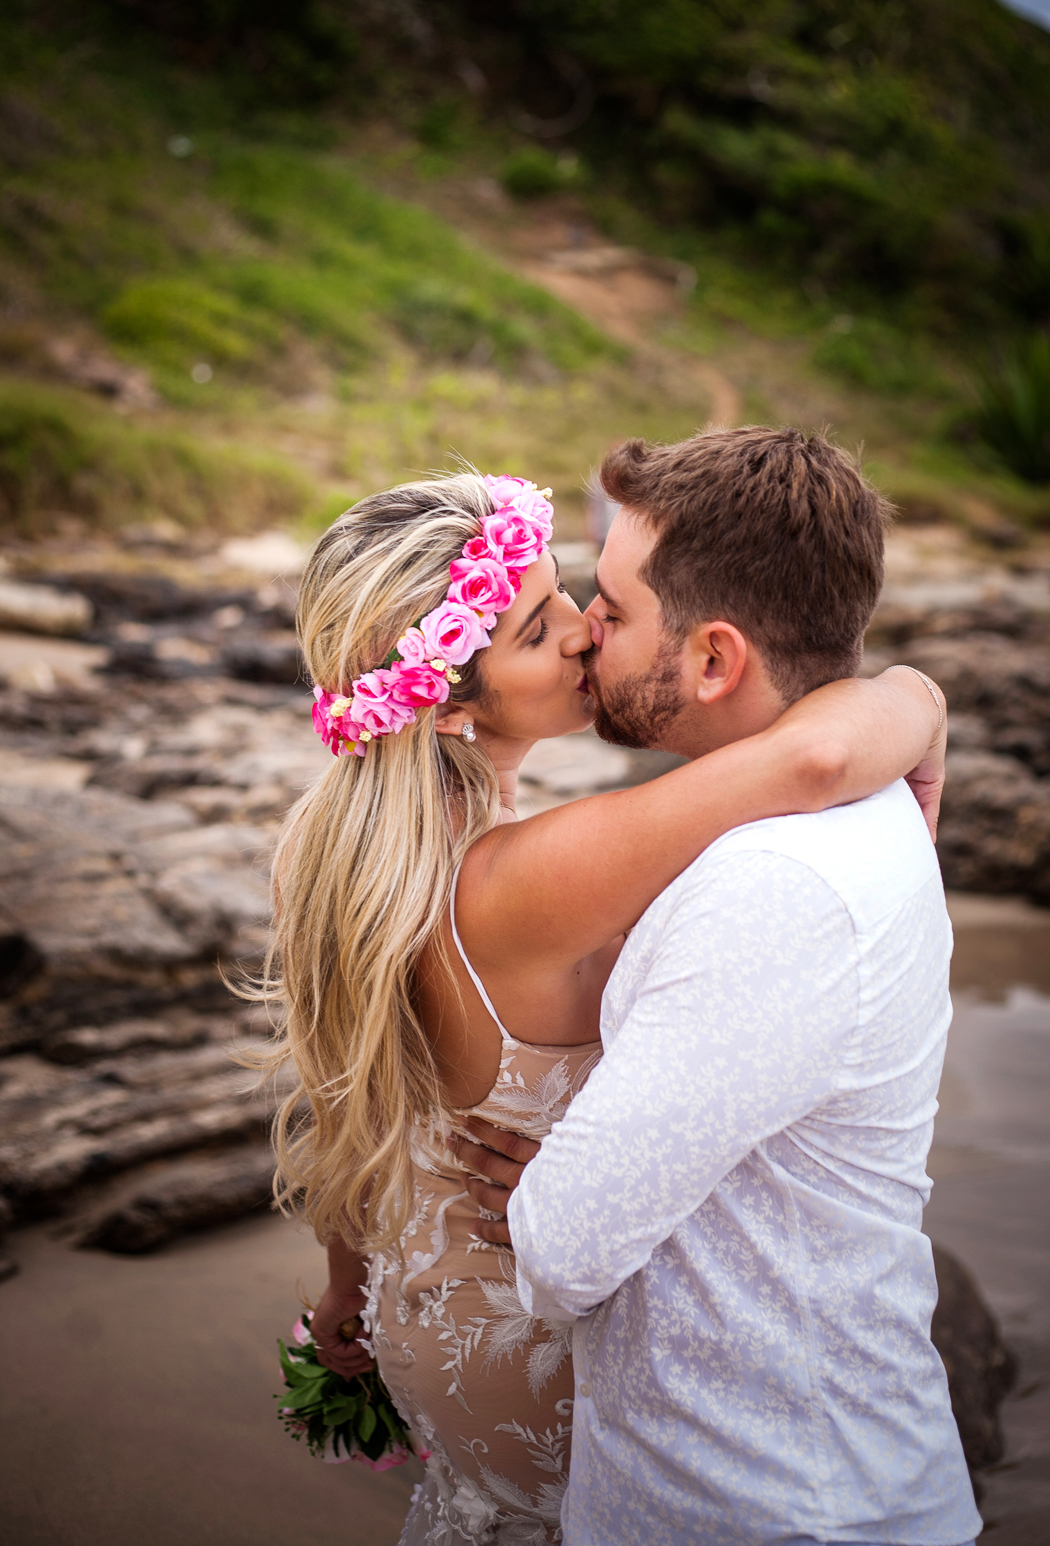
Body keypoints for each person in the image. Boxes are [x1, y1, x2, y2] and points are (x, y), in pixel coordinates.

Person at [264, 455, 948, 1545]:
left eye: (572, 595)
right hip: (526, 1335)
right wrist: (916, 695)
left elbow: (345, 1085)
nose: (585, 629)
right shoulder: (531, 874)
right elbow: (815, 756)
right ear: (445, 707)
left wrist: (347, 1276)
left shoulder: (353, 855)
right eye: (538, 631)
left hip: (422, 1300)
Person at [463, 430, 981, 1546]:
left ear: (711, 660)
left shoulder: (773, 884)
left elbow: (561, 1255)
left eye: (610, 605)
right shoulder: (834, 804)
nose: (585, 631)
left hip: (768, 1509)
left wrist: (555, 1174)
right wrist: (915, 697)